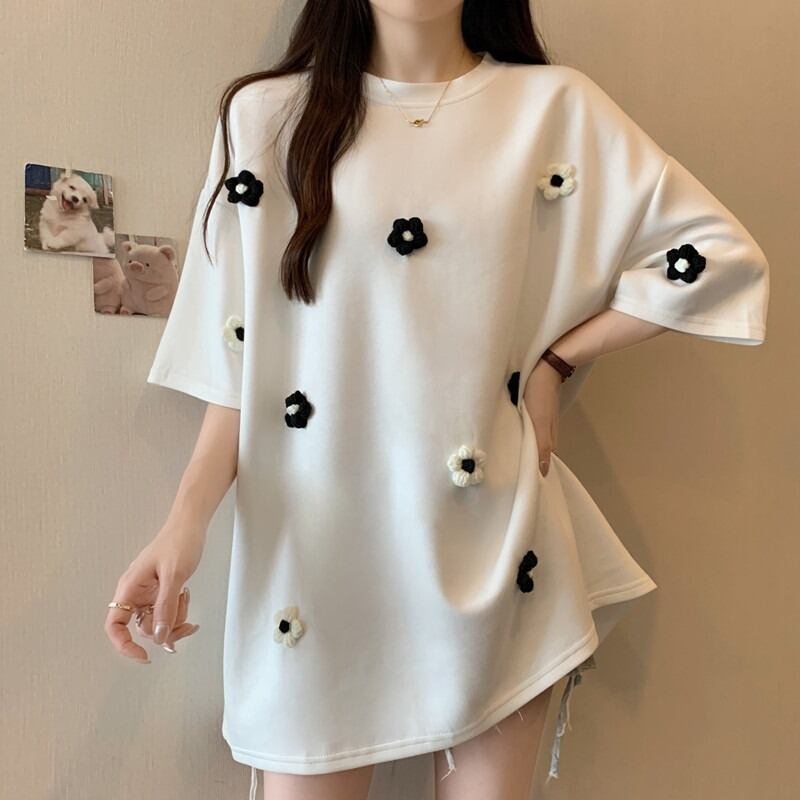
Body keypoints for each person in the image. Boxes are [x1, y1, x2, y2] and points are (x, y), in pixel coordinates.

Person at [104, 2, 770, 799]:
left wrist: (557, 362)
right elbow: (240, 359)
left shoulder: (553, 109)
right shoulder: (267, 118)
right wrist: (183, 524)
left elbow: (714, 254)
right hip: (312, 558)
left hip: (493, 548)